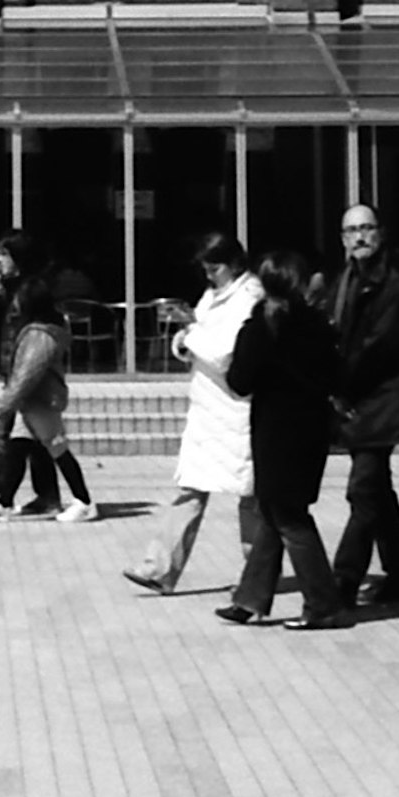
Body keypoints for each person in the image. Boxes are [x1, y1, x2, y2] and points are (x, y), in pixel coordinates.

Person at [221, 247, 349, 628]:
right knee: (275, 513)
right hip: (311, 430)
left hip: (275, 432)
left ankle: (324, 603)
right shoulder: (318, 324)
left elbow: (239, 382)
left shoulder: (261, 326)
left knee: (288, 516)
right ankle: (251, 598)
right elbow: (337, 375)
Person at [123, 235, 257, 595]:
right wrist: (183, 339)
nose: (210, 276)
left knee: (251, 499)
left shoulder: (248, 297)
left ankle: (259, 574)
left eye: (215, 268)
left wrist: (192, 335)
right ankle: (158, 568)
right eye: (205, 269)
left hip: (235, 410)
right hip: (206, 411)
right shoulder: (213, 295)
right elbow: (194, 337)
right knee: (190, 491)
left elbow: (226, 352)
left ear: (234, 262)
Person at [325, 203, 399, 606]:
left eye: (367, 228)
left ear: (381, 232)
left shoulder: (395, 283)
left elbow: (379, 348)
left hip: (381, 399)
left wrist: (339, 385)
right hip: (356, 398)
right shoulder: (345, 279)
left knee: (363, 490)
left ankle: (343, 582)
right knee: (377, 489)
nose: (360, 236)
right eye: (352, 231)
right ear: (343, 238)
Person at [0, 269, 97, 520]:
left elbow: (27, 375)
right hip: (32, 401)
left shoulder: (40, 336)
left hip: (40, 401)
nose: (16, 304)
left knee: (58, 448)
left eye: (20, 299)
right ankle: (4, 501)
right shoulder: (38, 331)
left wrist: (6, 406)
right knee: (18, 446)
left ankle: (84, 501)